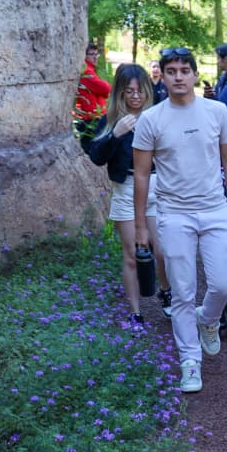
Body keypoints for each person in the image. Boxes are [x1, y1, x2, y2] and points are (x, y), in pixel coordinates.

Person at [133, 47, 227, 394]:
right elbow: (142, 176)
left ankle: (208, 320)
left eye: (184, 70)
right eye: (171, 71)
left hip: (215, 210)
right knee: (182, 292)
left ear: (195, 74)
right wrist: (140, 227)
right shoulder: (151, 119)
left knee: (223, 284)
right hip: (174, 214)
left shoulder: (217, 110)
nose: (178, 76)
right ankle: (189, 361)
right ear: (162, 76)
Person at [87, 64, 170, 325]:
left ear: (147, 91)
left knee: (161, 249)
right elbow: (97, 156)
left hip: (157, 188)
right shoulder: (112, 121)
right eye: (129, 91)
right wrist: (115, 134)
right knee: (132, 254)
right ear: (120, 94)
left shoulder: (159, 117)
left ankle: (166, 292)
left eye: (139, 91)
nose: (135, 96)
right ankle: (135, 312)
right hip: (126, 189)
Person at [74, 43, 111, 148]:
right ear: (84, 55)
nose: (95, 57)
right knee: (91, 148)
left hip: (93, 117)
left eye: (97, 54)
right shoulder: (86, 71)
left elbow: (104, 91)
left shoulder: (90, 70)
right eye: (92, 54)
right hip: (89, 119)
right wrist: (103, 91)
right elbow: (106, 88)